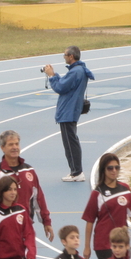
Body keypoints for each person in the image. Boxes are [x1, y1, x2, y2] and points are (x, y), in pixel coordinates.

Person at [0, 130, 55, 242]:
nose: (15, 147)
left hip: (26, 226)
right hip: (3, 228)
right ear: (2, 148)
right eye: (11, 144)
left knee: (29, 258)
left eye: (17, 144)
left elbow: (38, 198)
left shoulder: (29, 171)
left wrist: (46, 222)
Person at [43, 45, 95, 182]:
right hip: (70, 110)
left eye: (65, 55)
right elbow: (66, 84)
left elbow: (60, 87)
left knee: (70, 143)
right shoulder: (78, 70)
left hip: (68, 111)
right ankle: (75, 171)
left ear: (71, 56)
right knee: (71, 142)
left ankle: (77, 172)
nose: (64, 57)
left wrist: (51, 76)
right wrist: (54, 75)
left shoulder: (75, 72)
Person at [81, 153, 131, 259]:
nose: (114, 170)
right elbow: (89, 221)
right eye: (110, 168)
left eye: (117, 167)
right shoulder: (97, 193)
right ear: (103, 170)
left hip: (122, 243)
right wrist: (87, 246)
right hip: (103, 244)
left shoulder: (125, 189)